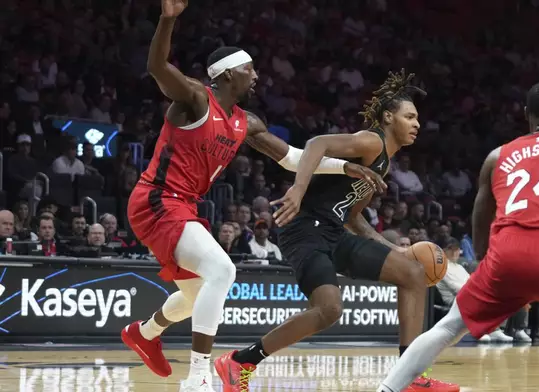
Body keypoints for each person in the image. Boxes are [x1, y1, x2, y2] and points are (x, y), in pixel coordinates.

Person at [120, 1, 386, 392]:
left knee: (197, 295)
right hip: (157, 198)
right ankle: (197, 378)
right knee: (223, 271)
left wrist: (346, 168)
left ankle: (144, 333)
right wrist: (167, 19)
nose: (256, 75)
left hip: (183, 205)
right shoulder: (194, 98)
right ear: (227, 74)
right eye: (249, 68)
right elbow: (158, 68)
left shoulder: (248, 123)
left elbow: (294, 159)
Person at [375, 80, 539, 392]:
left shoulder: (497, 155)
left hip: (507, 259)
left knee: (449, 325)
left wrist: (483, 262)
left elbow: (480, 215)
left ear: (527, 114)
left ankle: (387, 390)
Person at [215, 70, 458, 392]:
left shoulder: (383, 163)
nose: (416, 124)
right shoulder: (371, 141)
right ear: (388, 117)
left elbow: (353, 217)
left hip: (334, 231)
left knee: (412, 273)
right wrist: (299, 189)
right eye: (409, 116)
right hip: (304, 230)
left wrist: (392, 248)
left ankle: (409, 375)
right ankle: (241, 360)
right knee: (329, 310)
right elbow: (317, 144)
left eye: (417, 119)